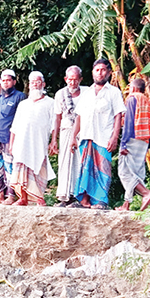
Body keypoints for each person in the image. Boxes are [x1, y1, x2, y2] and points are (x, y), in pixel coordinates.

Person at [70, 58, 126, 210]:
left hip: (104, 137)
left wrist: (115, 137)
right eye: (97, 70)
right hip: (86, 137)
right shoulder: (86, 93)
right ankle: (84, 200)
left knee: (102, 169)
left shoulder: (114, 92)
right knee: (85, 168)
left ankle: (100, 201)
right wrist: (73, 138)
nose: (100, 73)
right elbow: (79, 117)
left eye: (103, 70)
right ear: (93, 72)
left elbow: (118, 116)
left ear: (108, 72)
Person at [9, 71, 56, 206]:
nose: (35, 85)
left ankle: (39, 198)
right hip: (21, 143)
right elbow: (15, 126)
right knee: (21, 168)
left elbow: (54, 124)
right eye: (33, 82)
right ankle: (23, 198)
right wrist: (11, 144)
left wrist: (53, 141)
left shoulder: (50, 103)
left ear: (43, 84)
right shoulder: (23, 104)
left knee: (39, 167)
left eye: (38, 82)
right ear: (29, 85)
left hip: (39, 142)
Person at [0, 69, 26, 205]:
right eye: (3, 80)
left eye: (8, 80)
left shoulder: (20, 97)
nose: (5, 83)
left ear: (14, 81)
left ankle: (11, 195)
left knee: (10, 167)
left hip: (9, 137)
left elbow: (22, 119)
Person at [116, 78, 150, 211]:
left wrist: (123, 144)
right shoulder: (149, 103)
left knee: (124, 172)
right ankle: (126, 204)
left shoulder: (132, 99)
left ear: (133, 88)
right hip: (144, 141)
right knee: (135, 172)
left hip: (132, 139)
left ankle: (146, 193)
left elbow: (128, 123)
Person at [50, 66, 87, 207]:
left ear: (80, 79)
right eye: (70, 80)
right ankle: (64, 197)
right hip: (66, 131)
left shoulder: (86, 92)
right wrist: (54, 139)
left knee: (80, 162)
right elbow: (57, 118)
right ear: (66, 79)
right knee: (65, 162)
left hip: (82, 132)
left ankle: (80, 197)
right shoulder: (60, 94)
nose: (72, 83)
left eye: (75, 80)